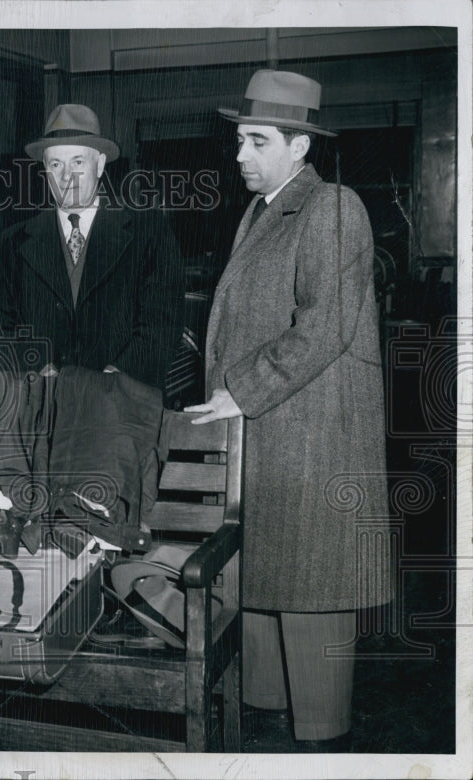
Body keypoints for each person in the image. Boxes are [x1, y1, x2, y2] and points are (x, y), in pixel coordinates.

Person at [187, 69, 393, 749]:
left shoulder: (333, 207)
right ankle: (269, 730)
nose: (240, 154)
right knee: (269, 588)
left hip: (312, 443)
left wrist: (239, 389)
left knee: (310, 594)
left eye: (256, 140)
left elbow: (326, 326)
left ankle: (323, 751)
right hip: (275, 436)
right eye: (240, 139)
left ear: (300, 146)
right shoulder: (266, 208)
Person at [0, 103, 184, 396]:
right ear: (44, 169)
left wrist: (111, 380)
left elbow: (162, 325)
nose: (67, 177)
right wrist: (40, 369)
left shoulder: (149, 233)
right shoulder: (15, 241)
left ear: (100, 164)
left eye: (78, 162)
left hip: (123, 407)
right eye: (55, 164)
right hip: (42, 408)